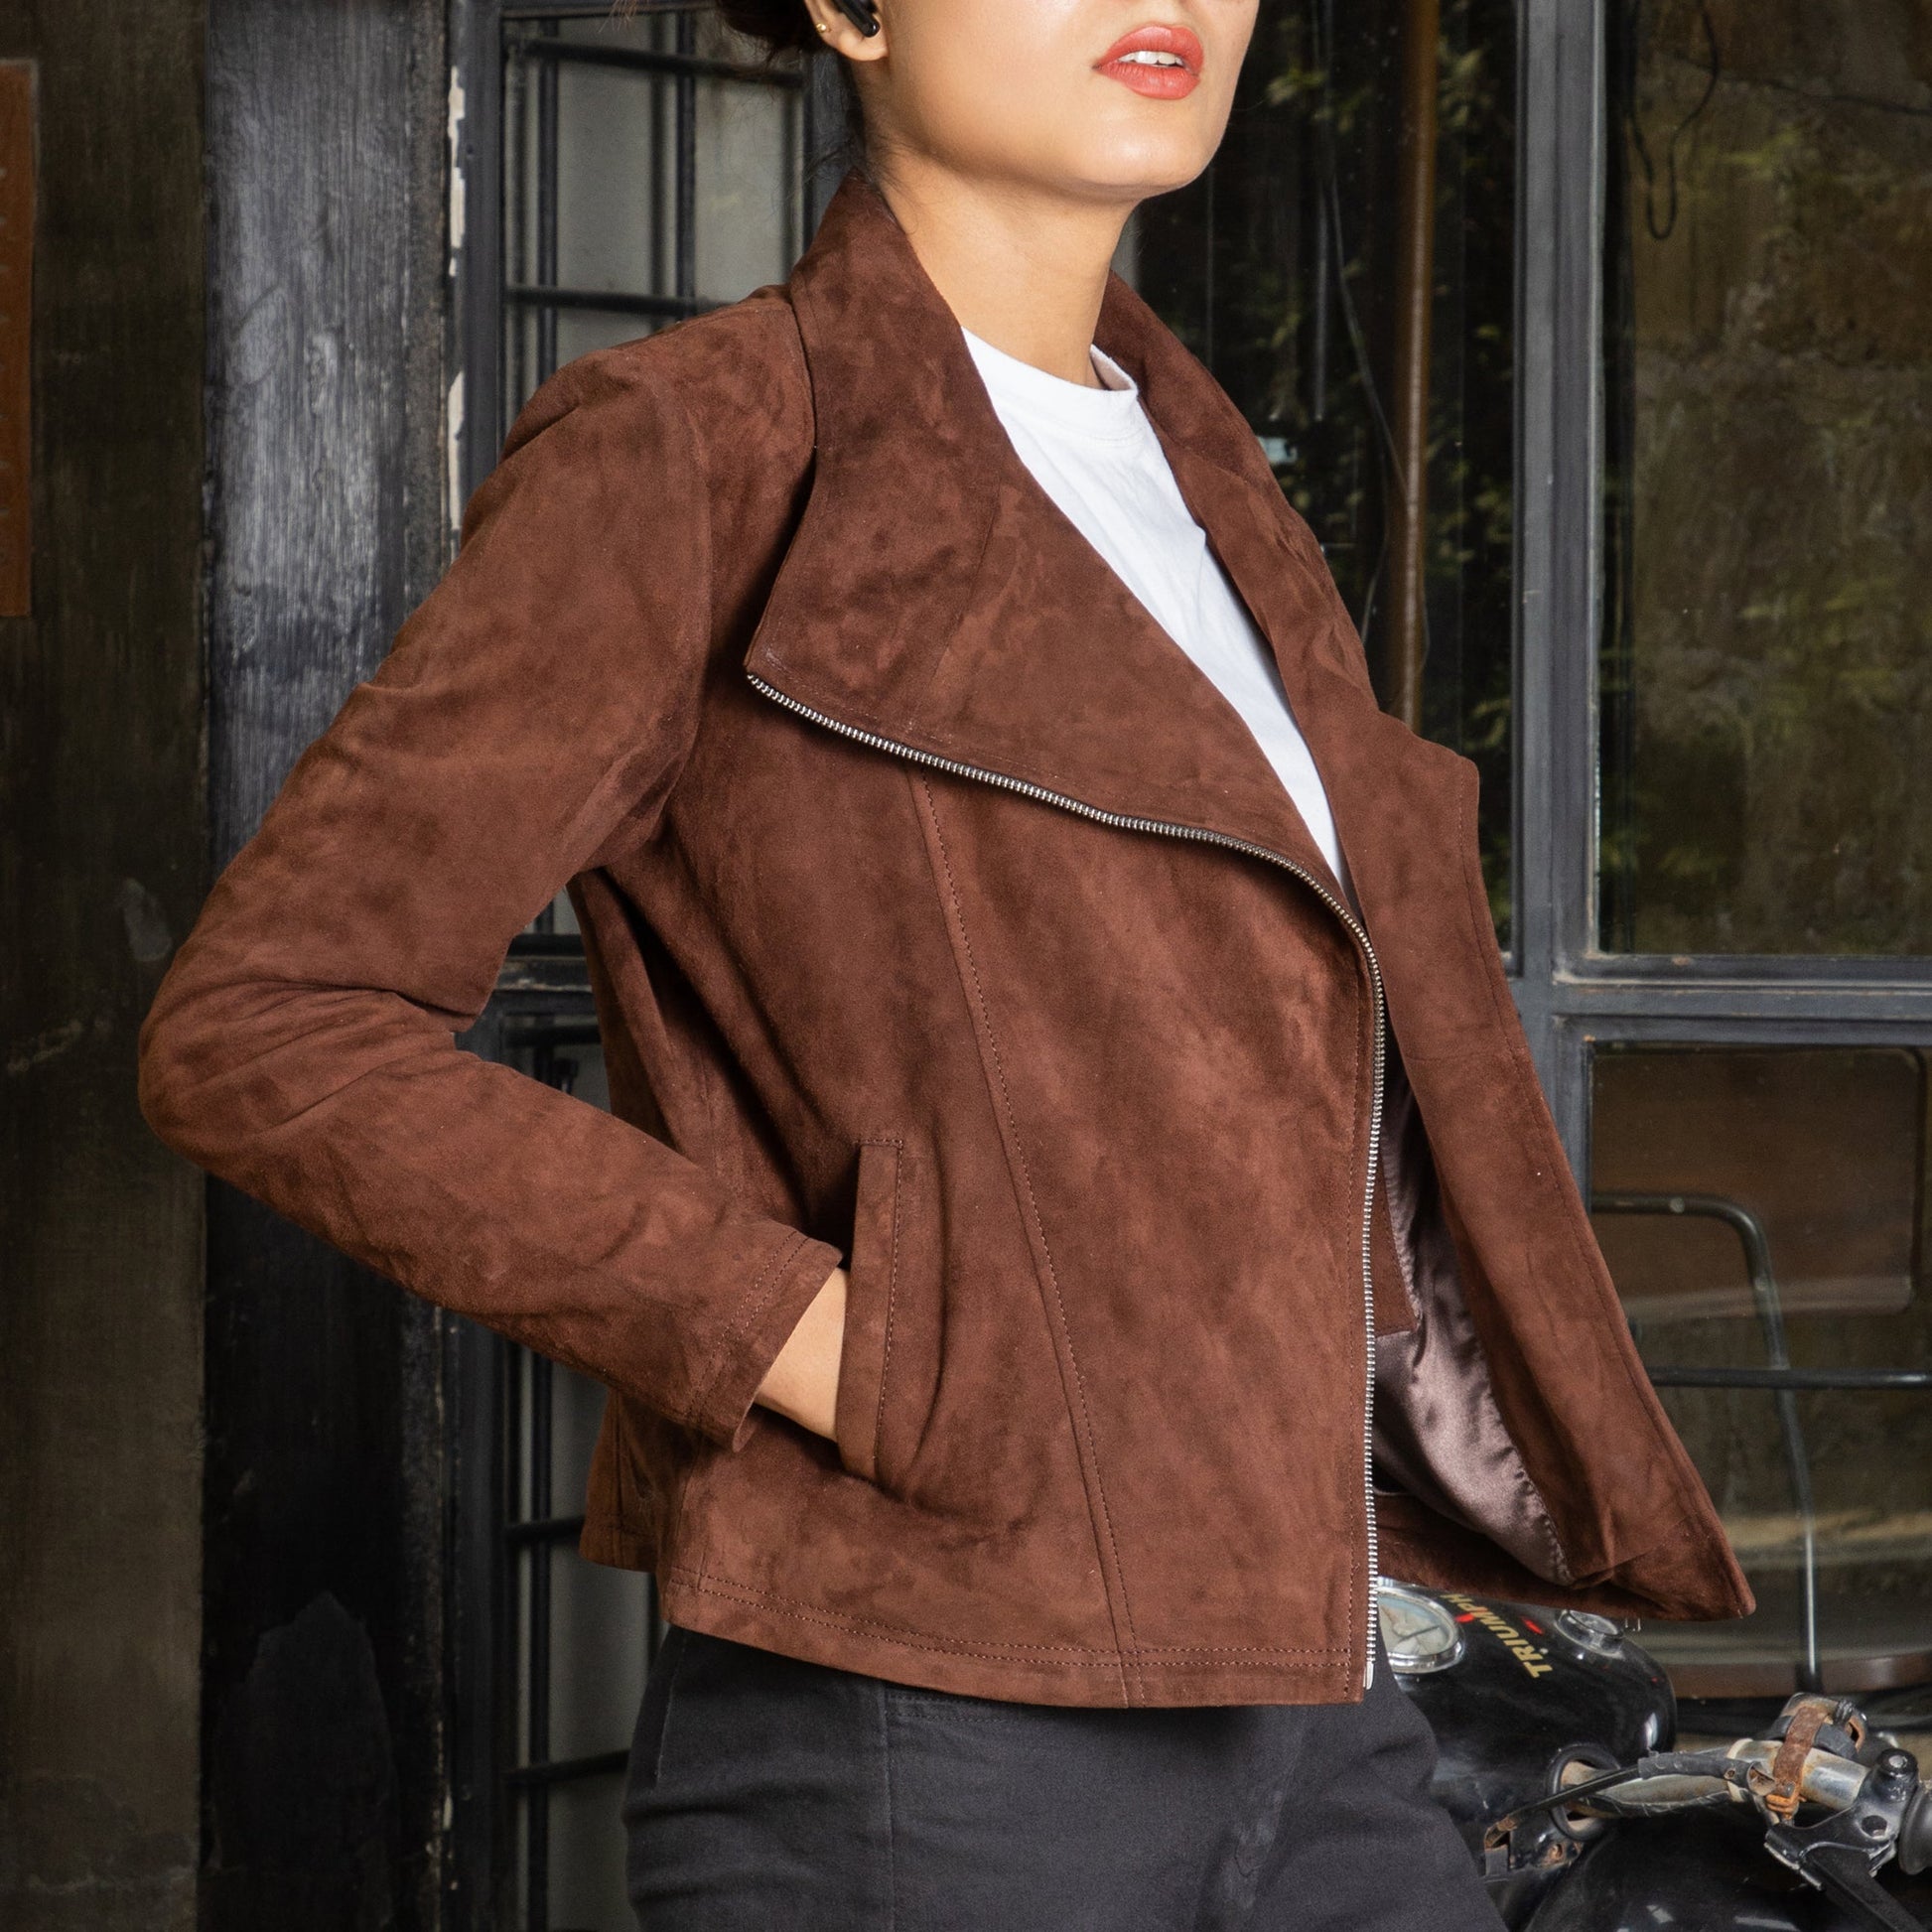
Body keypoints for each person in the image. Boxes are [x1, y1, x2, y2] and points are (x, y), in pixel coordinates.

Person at [138, 0, 1753, 1924]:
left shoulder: (1216, 489)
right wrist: (853, 1349)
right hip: (925, 1739)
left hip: (1315, 1707)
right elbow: (269, 1026)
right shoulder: (702, 452)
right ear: (848, 9)